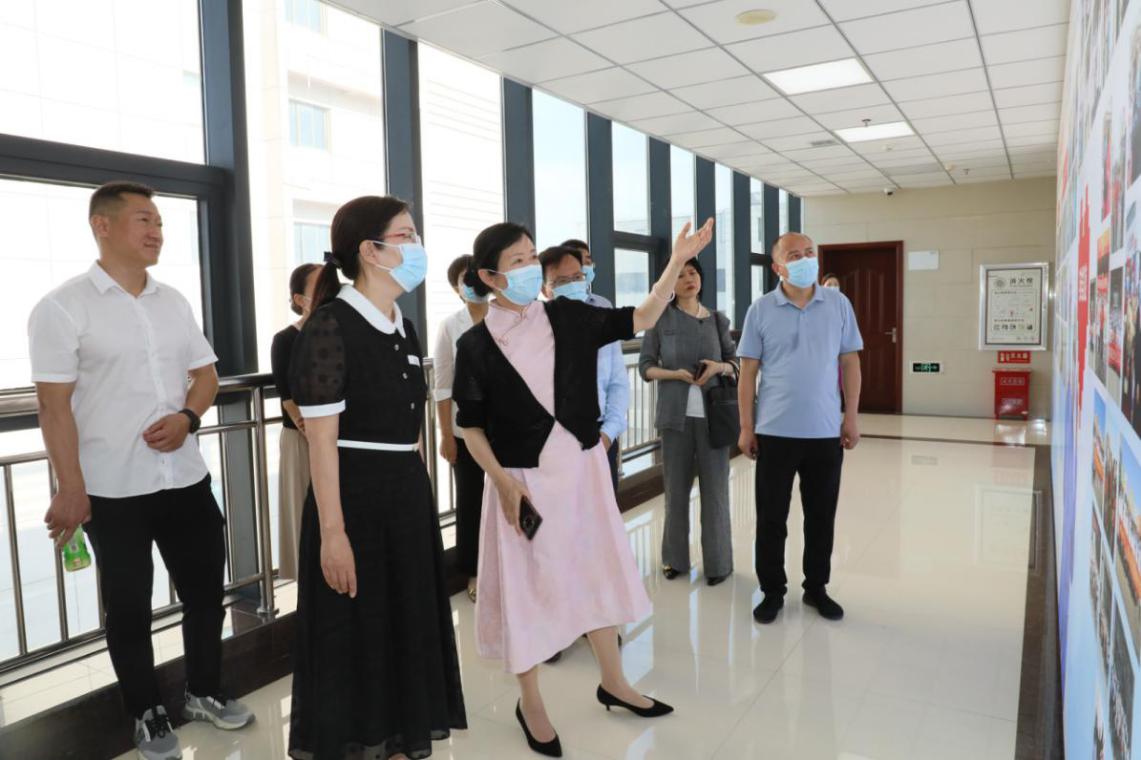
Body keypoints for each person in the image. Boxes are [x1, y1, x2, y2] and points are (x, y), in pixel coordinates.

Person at [453, 219, 714, 757]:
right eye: (518, 261)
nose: (530, 268)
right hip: (522, 483)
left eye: (532, 256)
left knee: (596, 573)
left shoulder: (566, 316)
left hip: (581, 472)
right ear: (490, 277)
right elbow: (470, 427)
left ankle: (613, 682)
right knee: (527, 591)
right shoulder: (474, 345)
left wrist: (675, 262)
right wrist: (501, 482)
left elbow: (642, 316)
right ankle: (531, 703)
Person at [29, 181, 253, 760]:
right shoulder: (62, 307)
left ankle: (204, 690)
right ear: (102, 226)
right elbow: (53, 407)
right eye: (143, 220)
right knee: (129, 609)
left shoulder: (172, 301)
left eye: (159, 222)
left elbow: (206, 376)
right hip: (112, 489)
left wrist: (188, 418)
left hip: (185, 478)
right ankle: (146, 711)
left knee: (206, 593)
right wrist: (71, 487)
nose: (156, 232)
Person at [287, 196, 466, 760]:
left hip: (405, 498)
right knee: (356, 632)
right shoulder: (331, 326)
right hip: (354, 502)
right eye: (407, 235)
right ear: (370, 249)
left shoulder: (402, 326)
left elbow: (409, 426)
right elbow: (321, 441)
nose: (417, 247)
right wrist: (333, 534)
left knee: (404, 625)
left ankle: (398, 741)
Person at [737, 232, 863, 625]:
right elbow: (748, 373)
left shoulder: (838, 304)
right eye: (794, 255)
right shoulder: (761, 309)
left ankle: (816, 588)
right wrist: (746, 427)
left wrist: (851, 416)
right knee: (771, 519)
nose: (805, 259)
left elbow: (850, 363)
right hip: (774, 431)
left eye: (809, 252)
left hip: (824, 432)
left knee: (821, 516)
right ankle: (772, 590)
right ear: (778, 266)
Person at [639, 258, 737, 586]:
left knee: (716, 493)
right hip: (674, 419)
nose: (687, 279)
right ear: (671, 283)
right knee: (676, 492)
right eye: (679, 276)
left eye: (692, 273)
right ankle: (674, 559)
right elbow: (645, 367)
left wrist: (718, 367)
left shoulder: (718, 320)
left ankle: (719, 564)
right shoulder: (659, 319)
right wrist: (674, 374)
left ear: (701, 277)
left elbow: (734, 363)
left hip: (714, 419)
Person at [540, 245, 629, 496]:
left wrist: (607, 435)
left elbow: (618, 381)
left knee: (603, 509)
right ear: (544, 288)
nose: (572, 285)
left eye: (577, 277)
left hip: (599, 433)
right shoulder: (536, 324)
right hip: (553, 440)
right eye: (561, 281)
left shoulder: (601, 312)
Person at [434, 254, 489, 603]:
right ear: (457, 289)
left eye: (476, 277)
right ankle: (475, 570)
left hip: (507, 429)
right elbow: (442, 385)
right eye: (464, 281)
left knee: (509, 497)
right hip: (465, 430)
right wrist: (445, 435)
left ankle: (510, 567)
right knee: (471, 501)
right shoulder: (450, 325)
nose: (473, 285)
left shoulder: (506, 316)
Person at [272, 262, 322, 582]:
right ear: (300, 299)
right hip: (304, 440)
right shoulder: (286, 339)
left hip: (339, 438)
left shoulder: (342, 333)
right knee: (306, 516)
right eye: (319, 287)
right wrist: (319, 435)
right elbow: (288, 397)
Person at [561, 238, 624, 487]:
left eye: (587, 262)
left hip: (601, 428)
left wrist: (609, 433)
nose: (584, 268)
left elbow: (617, 380)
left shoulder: (603, 307)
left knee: (605, 501)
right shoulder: (542, 318)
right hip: (561, 434)